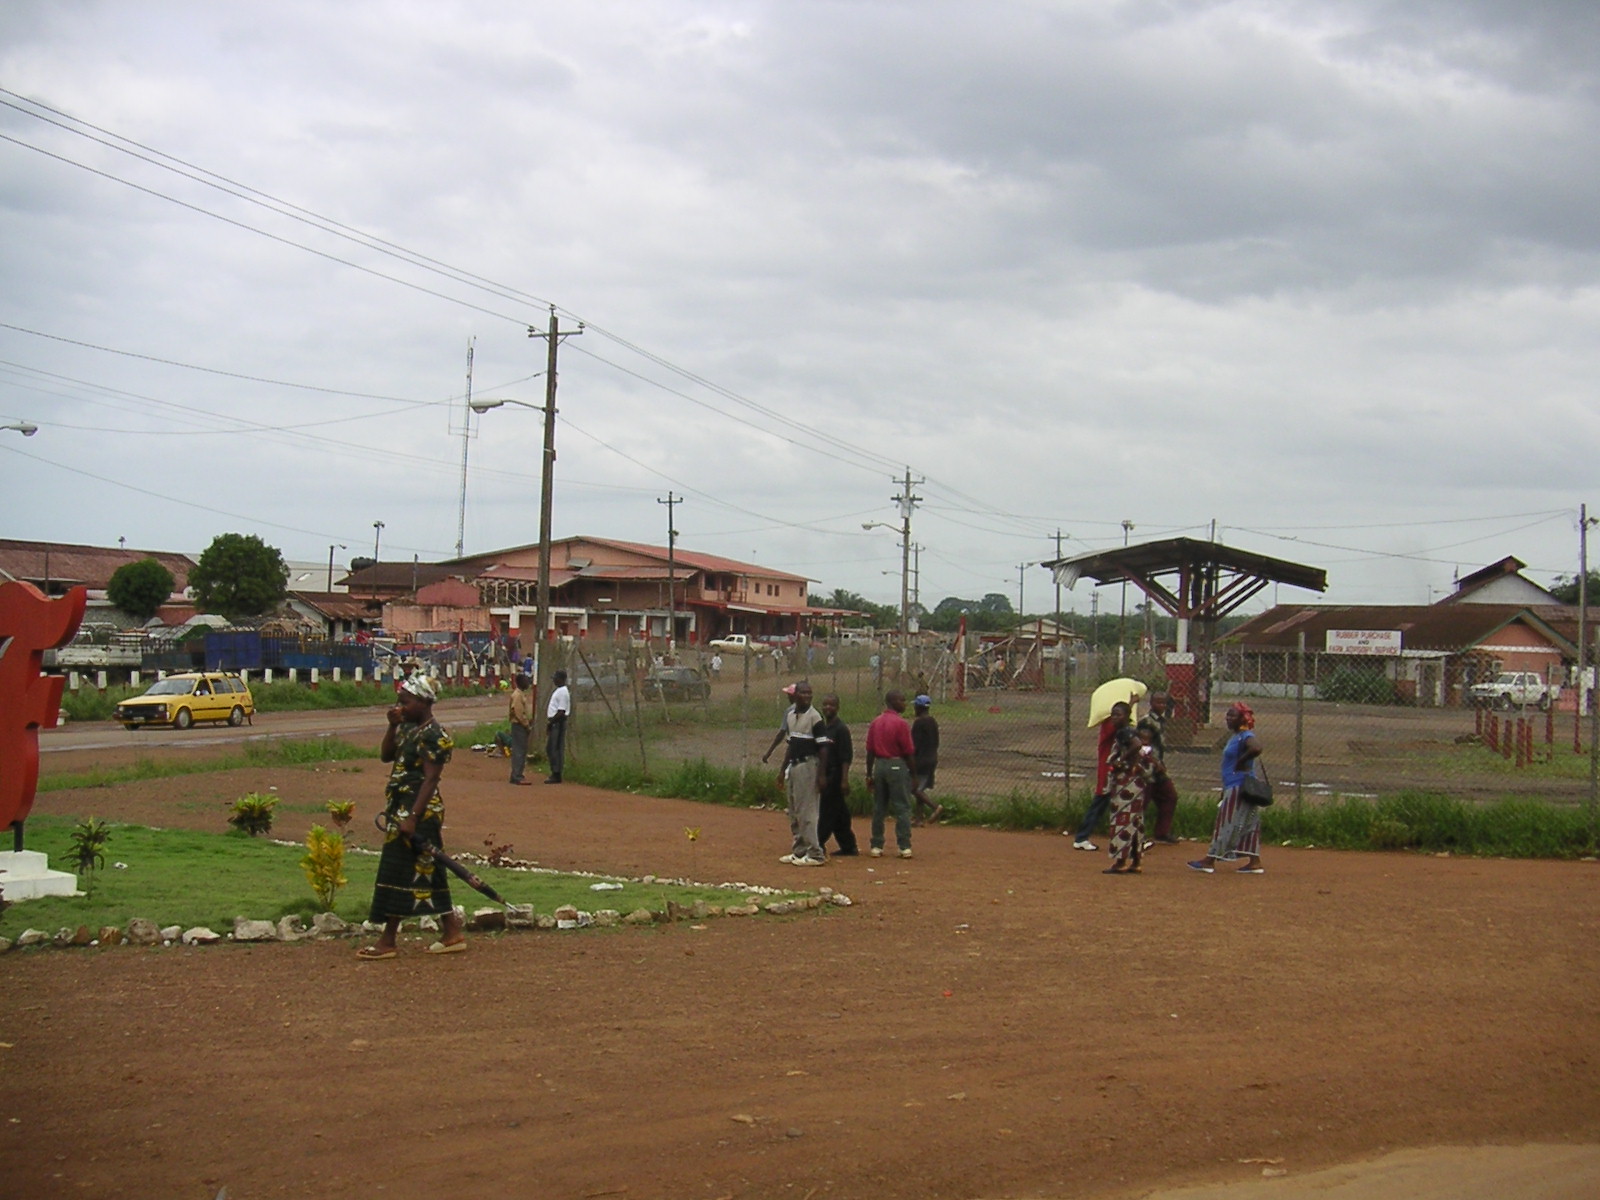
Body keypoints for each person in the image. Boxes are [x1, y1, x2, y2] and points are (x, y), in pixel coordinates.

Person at [358, 673, 465, 959]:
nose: (400, 706)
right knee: (428, 868)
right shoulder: (406, 727)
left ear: (423, 702)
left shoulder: (435, 736)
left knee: (398, 868)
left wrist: (413, 818)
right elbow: (386, 755)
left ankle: (387, 940)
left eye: (405, 702)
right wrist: (391, 726)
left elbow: (431, 780)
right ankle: (451, 931)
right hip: (402, 806)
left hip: (420, 810)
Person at [1189, 702, 1265, 874]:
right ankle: (1255, 862)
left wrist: (1241, 761)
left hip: (1239, 786)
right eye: (1227, 716)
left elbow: (1257, 748)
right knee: (1250, 823)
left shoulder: (1245, 735)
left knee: (1226, 821)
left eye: (1233, 716)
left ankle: (1210, 860)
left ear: (1242, 719)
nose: (1228, 719)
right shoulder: (1236, 736)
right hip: (1239, 785)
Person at [776, 680, 831, 866]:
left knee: (807, 810)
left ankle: (815, 853)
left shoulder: (815, 718)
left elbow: (823, 748)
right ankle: (799, 850)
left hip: (809, 766)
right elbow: (791, 745)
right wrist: (783, 769)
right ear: (795, 695)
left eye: (809, 693)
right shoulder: (791, 715)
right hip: (794, 766)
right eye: (803, 693)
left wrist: (821, 775)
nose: (807, 696)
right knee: (794, 810)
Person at [865, 689, 922, 859]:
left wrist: (869, 773)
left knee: (879, 807)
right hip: (896, 763)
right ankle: (904, 846)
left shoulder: (876, 722)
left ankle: (876, 845)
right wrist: (913, 775)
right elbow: (908, 752)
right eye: (902, 700)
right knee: (902, 807)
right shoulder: (901, 723)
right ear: (893, 702)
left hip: (879, 765)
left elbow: (870, 750)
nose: (904, 704)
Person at [1071, 700, 1133, 850]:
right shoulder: (1109, 726)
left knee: (1122, 805)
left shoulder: (1123, 730)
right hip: (1107, 774)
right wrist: (1130, 705)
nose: (1114, 717)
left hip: (1116, 773)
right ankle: (1082, 837)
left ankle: (1130, 839)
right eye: (1113, 714)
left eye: (1118, 714)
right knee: (1099, 805)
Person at [1104, 725, 1154, 874]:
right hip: (1137, 786)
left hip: (1126, 786)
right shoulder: (1137, 742)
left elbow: (1136, 746)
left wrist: (1120, 760)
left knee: (1122, 822)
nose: (1114, 719)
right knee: (1136, 823)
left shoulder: (1127, 736)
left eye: (1117, 715)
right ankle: (1136, 861)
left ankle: (1120, 862)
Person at [815, 692, 858, 856]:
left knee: (827, 811)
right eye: (825, 704)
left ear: (837, 708)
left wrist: (844, 780)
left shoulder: (841, 729)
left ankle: (818, 842)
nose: (828, 708)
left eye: (831, 705)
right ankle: (848, 845)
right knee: (840, 814)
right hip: (825, 773)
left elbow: (846, 757)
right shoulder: (824, 728)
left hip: (836, 774)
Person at [1138, 691, 1181, 845]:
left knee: (1170, 796)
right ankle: (1135, 833)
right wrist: (1154, 762)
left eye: (1164, 703)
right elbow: (1143, 745)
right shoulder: (1146, 722)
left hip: (1158, 768)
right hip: (1148, 768)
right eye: (1158, 702)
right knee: (1142, 802)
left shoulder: (1161, 721)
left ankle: (1162, 832)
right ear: (1151, 703)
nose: (1161, 706)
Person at [910, 694, 944, 824]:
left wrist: (910, 759)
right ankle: (919, 818)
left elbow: (914, 744)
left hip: (921, 760)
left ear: (919, 707)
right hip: (932, 757)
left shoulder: (919, 723)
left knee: (914, 788)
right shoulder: (932, 721)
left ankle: (935, 807)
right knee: (921, 788)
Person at [544, 668, 570, 784]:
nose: (554, 680)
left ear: (561, 679)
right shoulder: (560, 691)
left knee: (553, 748)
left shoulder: (563, 692)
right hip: (556, 722)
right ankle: (555, 771)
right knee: (552, 748)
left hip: (557, 723)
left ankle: (556, 773)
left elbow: (561, 711)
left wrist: (551, 722)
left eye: (556, 678)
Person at [507, 673, 534, 785]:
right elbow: (518, 713)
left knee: (520, 750)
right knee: (519, 751)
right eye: (526, 681)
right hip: (519, 725)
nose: (528, 683)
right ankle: (517, 775)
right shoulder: (518, 695)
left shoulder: (520, 694)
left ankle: (517, 774)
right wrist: (526, 725)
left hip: (519, 725)